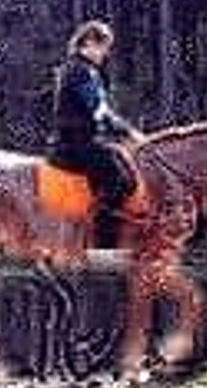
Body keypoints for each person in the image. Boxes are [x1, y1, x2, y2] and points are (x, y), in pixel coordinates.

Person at [49, 19, 142, 245]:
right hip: (77, 143)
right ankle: (103, 240)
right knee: (120, 180)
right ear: (89, 42)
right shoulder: (82, 71)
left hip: (79, 140)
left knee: (119, 161)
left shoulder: (79, 69)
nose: (105, 54)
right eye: (103, 47)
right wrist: (129, 133)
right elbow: (99, 112)